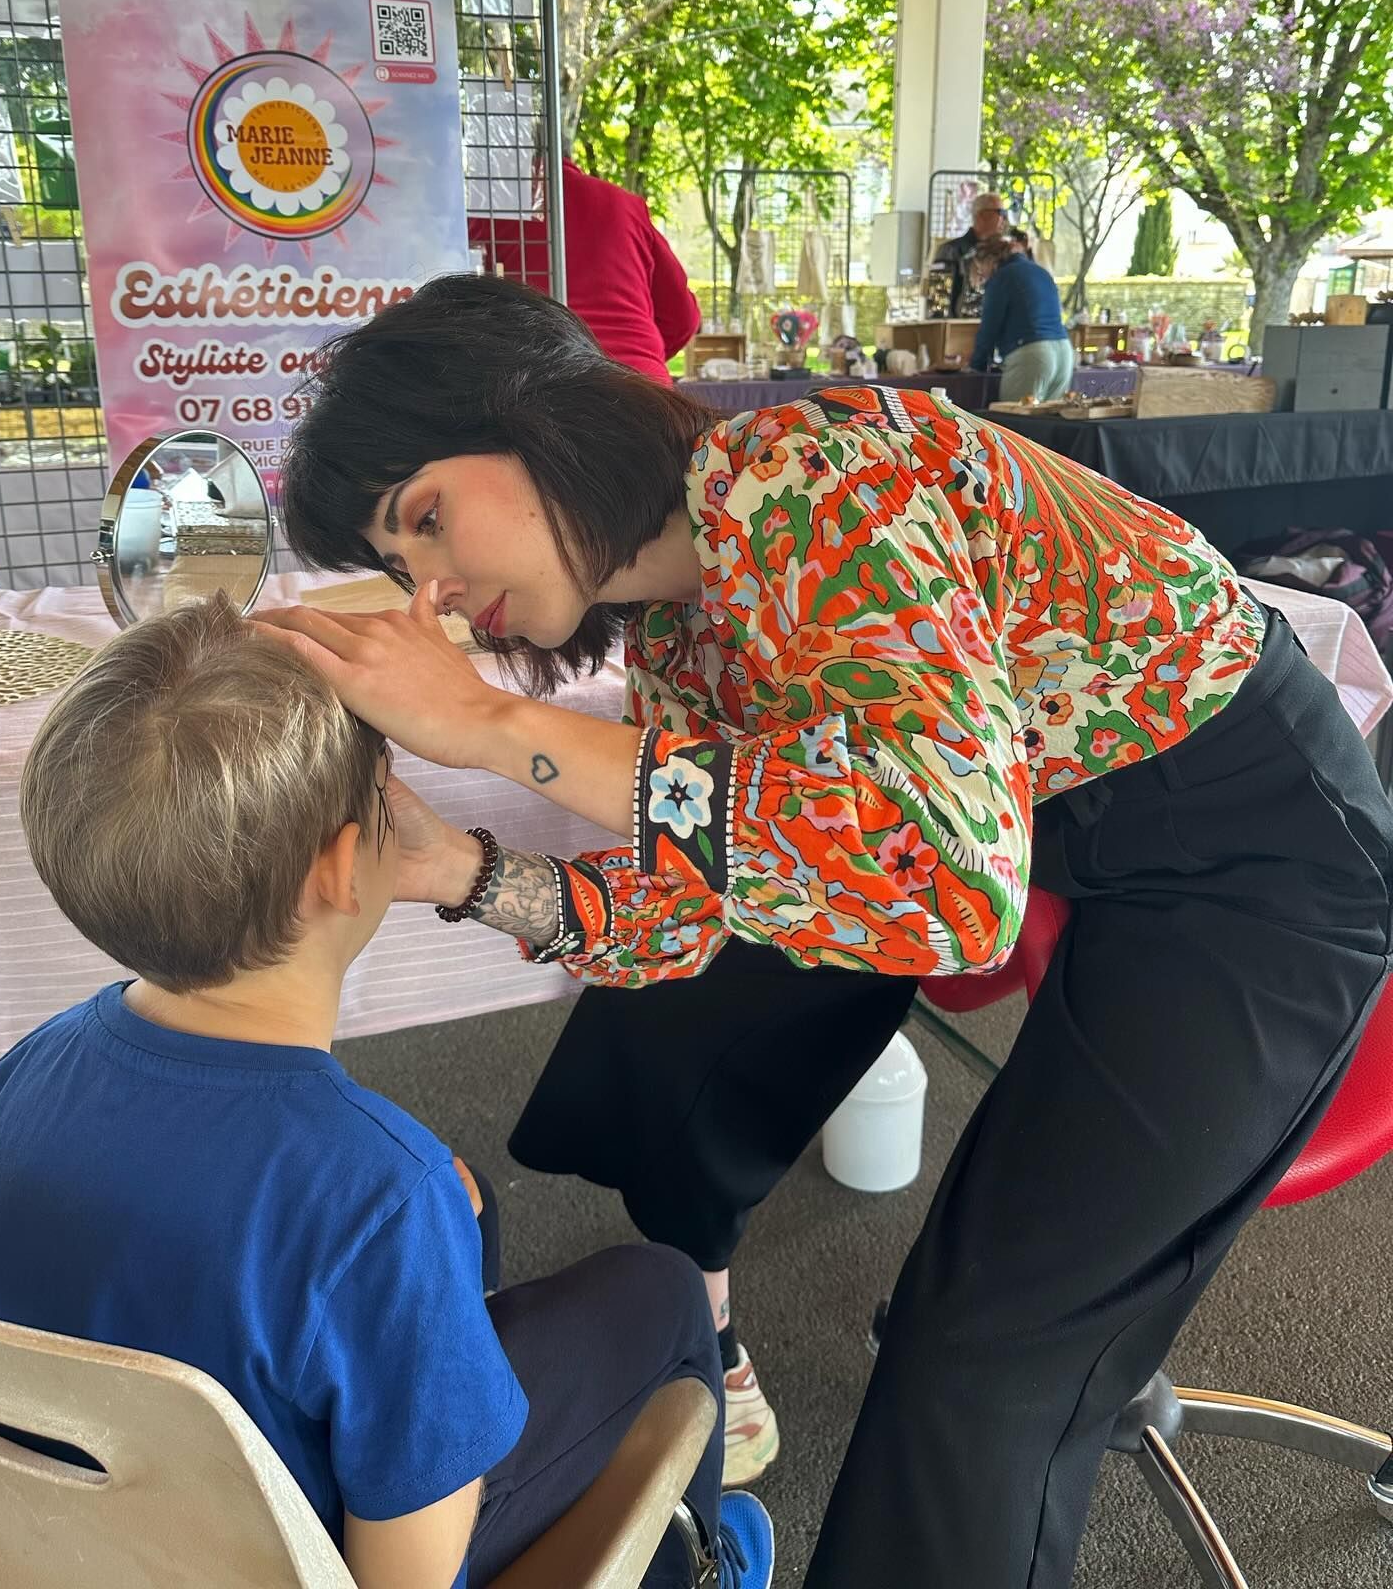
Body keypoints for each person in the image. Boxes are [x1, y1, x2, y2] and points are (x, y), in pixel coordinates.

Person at [260, 273, 1393, 1589]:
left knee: (983, 1362)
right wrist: (459, 868)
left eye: (427, 520)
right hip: (1089, 842)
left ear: (536, 415)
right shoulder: (691, 631)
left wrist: (503, 732)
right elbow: (684, 919)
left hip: (1262, 855)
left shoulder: (810, 471)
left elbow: (949, 890)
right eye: (400, 571)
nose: (438, 596)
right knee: (952, 1328)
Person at [0, 597, 774, 1589]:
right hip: (306, 1553)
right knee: (661, 1288)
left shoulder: (29, 1068)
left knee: (462, 1212)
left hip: (72, 1545)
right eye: (388, 786)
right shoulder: (382, 1195)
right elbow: (406, 1579)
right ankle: (709, 1561)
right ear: (343, 868)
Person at [468, 152, 700, 383]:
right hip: (641, 387)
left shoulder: (490, 214)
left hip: (539, 387)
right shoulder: (624, 204)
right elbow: (683, 319)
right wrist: (643, 353)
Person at [969, 234, 1076, 402]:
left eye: (980, 267)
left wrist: (976, 365)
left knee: (1013, 423)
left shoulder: (1002, 277)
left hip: (1033, 356)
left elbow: (989, 329)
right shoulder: (1041, 272)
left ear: (990, 260)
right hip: (1064, 352)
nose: (981, 274)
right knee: (1050, 423)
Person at [931, 188, 1006, 316]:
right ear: (982, 215)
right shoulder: (950, 251)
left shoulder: (1004, 254)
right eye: (1001, 212)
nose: (1004, 219)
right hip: (959, 330)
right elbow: (938, 302)